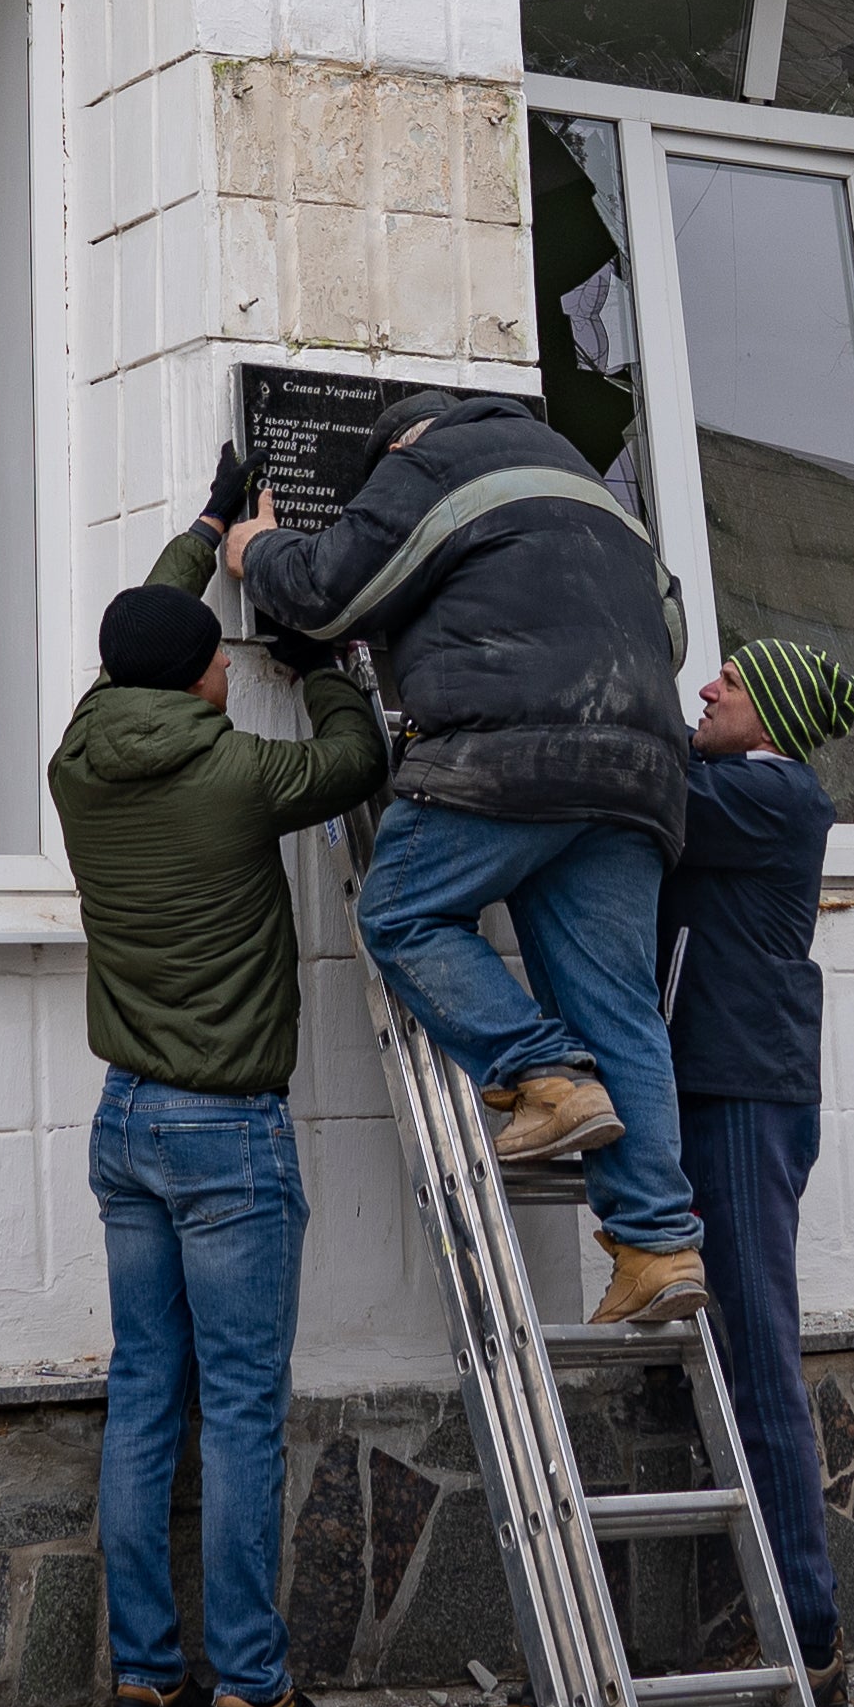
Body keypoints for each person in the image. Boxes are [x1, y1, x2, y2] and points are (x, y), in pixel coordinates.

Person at [231, 382, 704, 1326]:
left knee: (401, 911)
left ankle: (544, 1075)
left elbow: (330, 589)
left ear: (403, 439)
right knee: (619, 1007)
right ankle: (658, 1246)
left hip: (510, 754)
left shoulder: (430, 461)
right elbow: (675, 636)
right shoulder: (599, 494)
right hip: (640, 776)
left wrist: (256, 552)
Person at [50, 501, 386, 1707]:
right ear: (203, 673)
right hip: (225, 1134)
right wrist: (329, 673)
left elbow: (138, 634)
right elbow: (354, 765)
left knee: (145, 1396)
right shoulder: (239, 773)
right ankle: (252, 1694)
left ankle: (147, 1683)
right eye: (218, 661)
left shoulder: (80, 753)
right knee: (241, 1414)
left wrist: (200, 530)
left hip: (124, 1118)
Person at [665, 639, 854, 1700]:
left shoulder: (776, 797)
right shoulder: (745, 789)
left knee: (762, 1351)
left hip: (744, 1092)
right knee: (738, 1345)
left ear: (769, 711)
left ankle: (812, 1629)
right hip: (723, 1081)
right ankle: (779, 1614)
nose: (706, 687)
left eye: (728, 681)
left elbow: (656, 789)